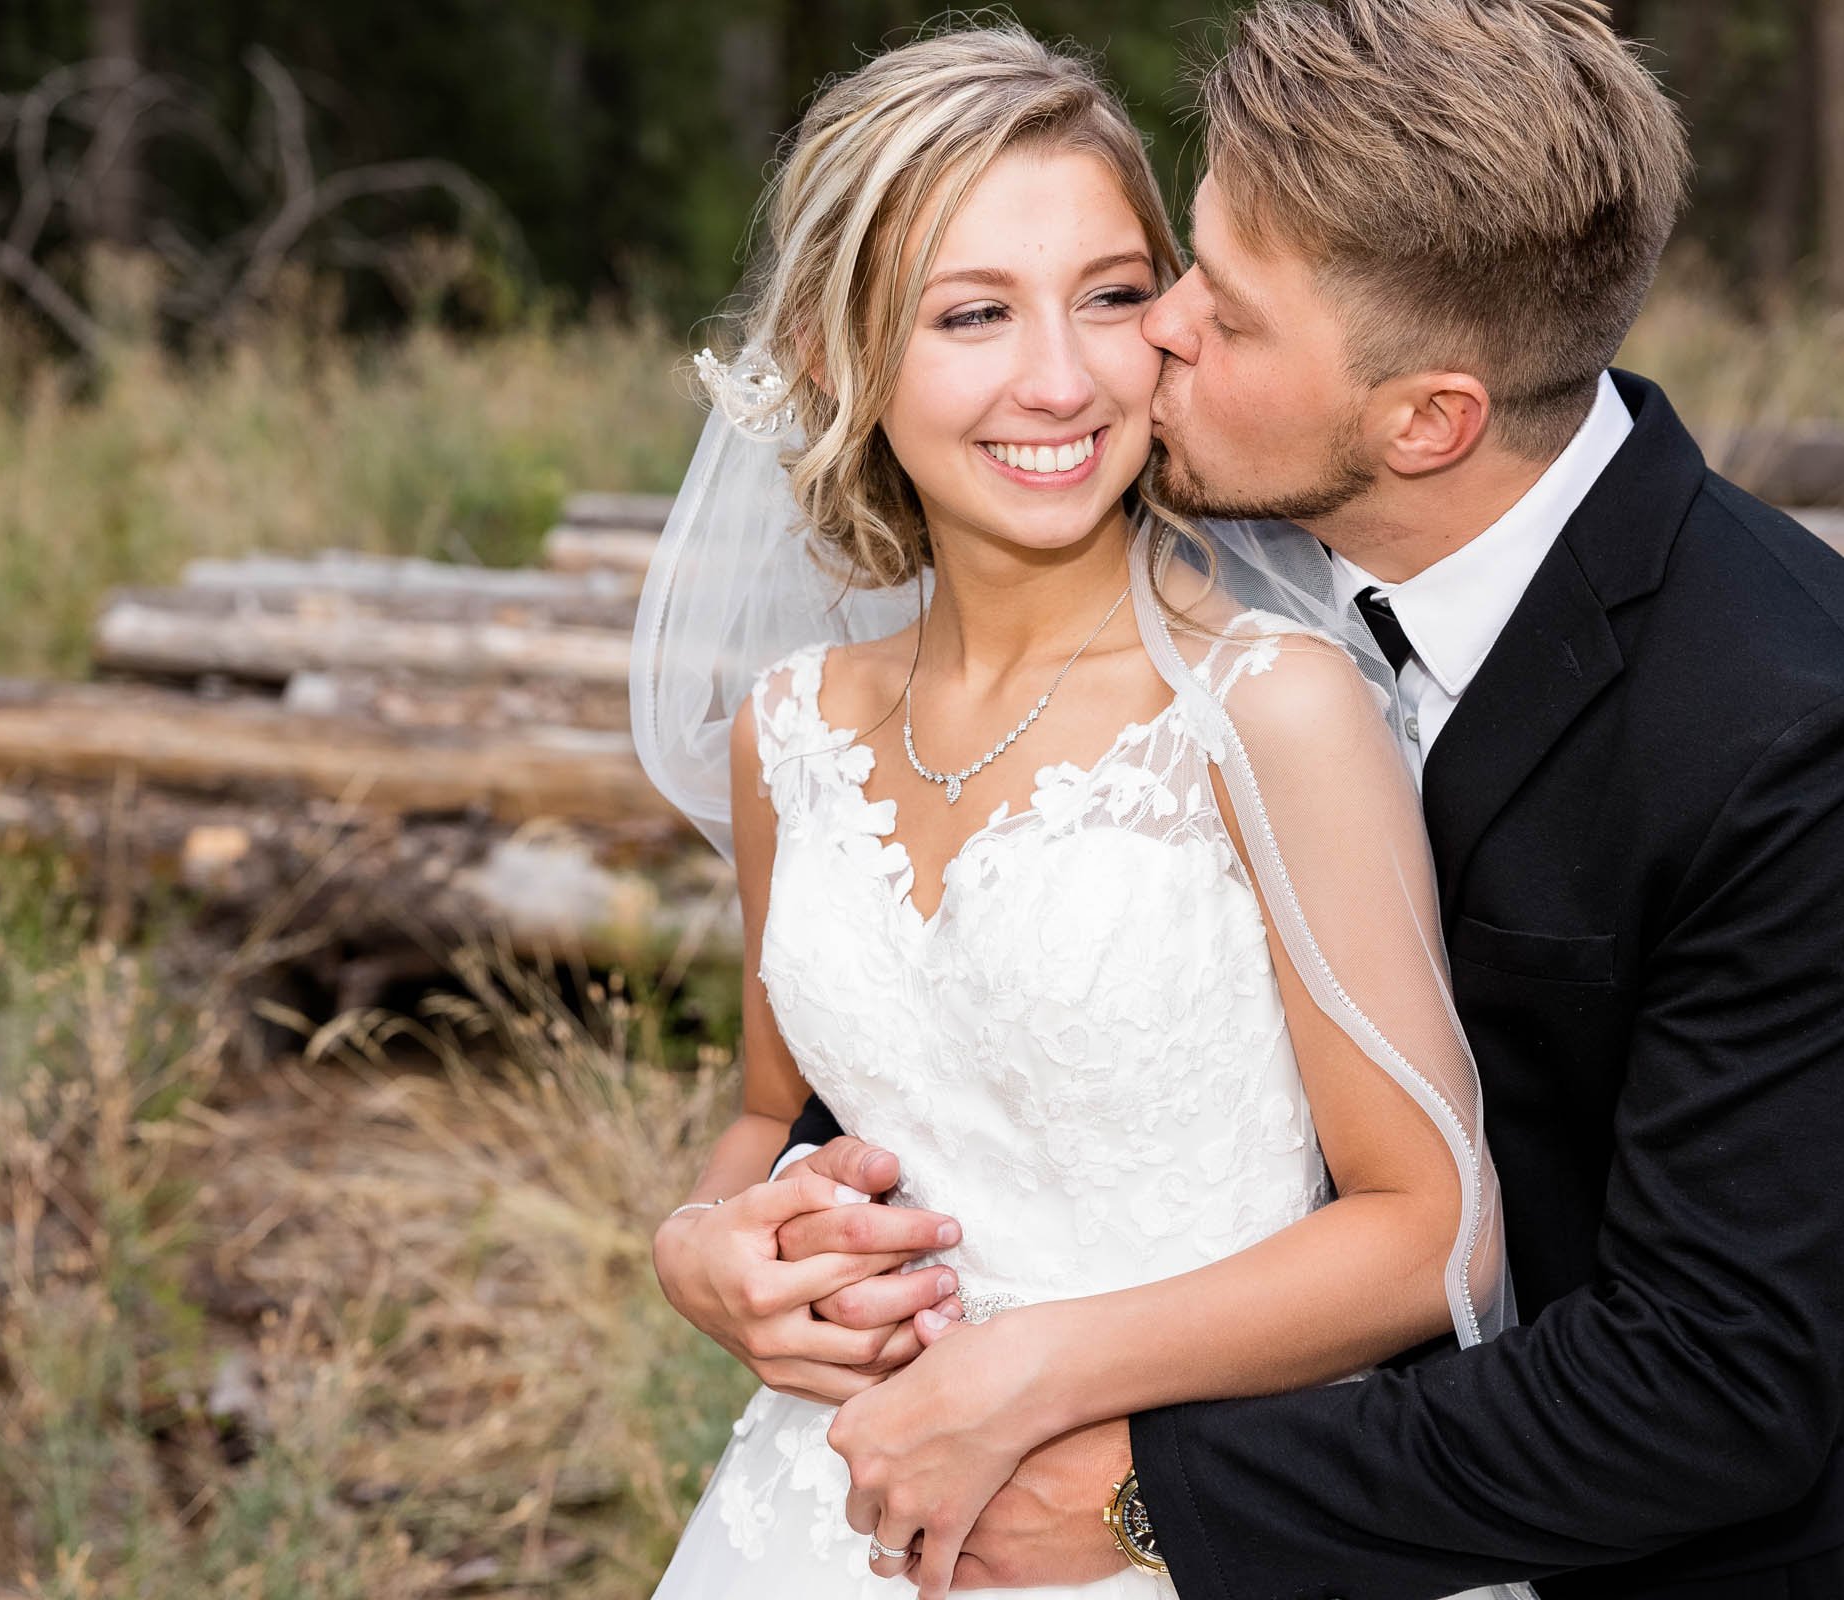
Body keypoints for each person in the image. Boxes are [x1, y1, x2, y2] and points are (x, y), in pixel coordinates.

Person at [684, 3, 1844, 1597]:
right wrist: (712, 1244)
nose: (1131, 348)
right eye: (1180, 268)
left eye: (1192, 307)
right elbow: (945, 1040)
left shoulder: (1800, 736)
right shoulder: (1107, 551)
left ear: (1425, 417)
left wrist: (1140, 1498)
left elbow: (1709, 1383)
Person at [632, 21, 1524, 1600]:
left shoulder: (1266, 707)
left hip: (1164, 1520)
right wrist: (707, 1244)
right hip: (837, 1515)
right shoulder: (795, 732)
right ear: (840, 360)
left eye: (1114, 296)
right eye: (973, 313)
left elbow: (1434, 1229)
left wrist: (1033, 1377)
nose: (1062, 377)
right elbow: (780, 1114)